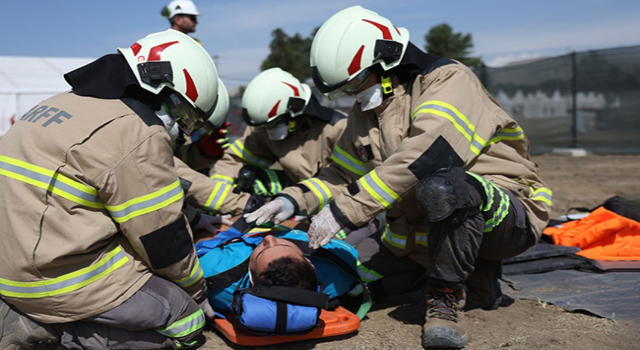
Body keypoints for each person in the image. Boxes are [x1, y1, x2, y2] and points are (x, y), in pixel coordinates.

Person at [245, 6, 553, 349]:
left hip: (506, 212)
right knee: (351, 281)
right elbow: (341, 172)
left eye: (357, 80)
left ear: (387, 60)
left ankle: (445, 299)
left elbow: (431, 153)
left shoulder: (447, 80)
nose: (351, 93)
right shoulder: (367, 111)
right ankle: (472, 277)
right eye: (344, 87)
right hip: (418, 226)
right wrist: (292, 199)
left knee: (443, 186)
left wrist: (345, 210)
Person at [0, 29, 225, 350]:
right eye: (184, 113)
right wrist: (197, 292)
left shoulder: (60, 103)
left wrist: (191, 214)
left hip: (11, 266)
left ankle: (37, 315)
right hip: (53, 281)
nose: (180, 126)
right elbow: (161, 239)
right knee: (186, 319)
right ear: (164, 90)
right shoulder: (136, 129)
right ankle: (55, 332)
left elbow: (93, 190)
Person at [210, 67, 347, 198]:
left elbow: (345, 183)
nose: (267, 129)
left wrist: (295, 198)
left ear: (294, 111)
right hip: (292, 205)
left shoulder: (337, 129)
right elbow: (235, 159)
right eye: (264, 125)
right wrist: (221, 191)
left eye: (272, 123)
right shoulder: (263, 128)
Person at [195, 224, 369, 319]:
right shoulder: (340, 266)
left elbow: (203, 237)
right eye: (284, 244)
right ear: (310, 263)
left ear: (252, 282)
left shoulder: (215, 274)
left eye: (262, 249)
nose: (270, 239)